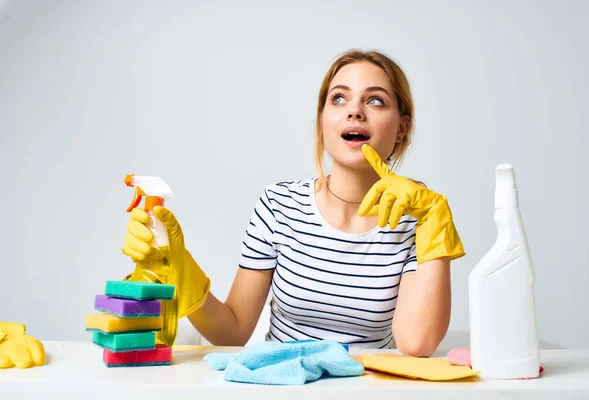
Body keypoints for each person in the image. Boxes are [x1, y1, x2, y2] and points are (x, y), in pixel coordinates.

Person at [122, 49, 465, 356]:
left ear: (402, 128)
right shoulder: (279, 204)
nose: (355, 112)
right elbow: (232, 332)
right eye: (339, 99)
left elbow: (416, 343)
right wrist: (179, 267)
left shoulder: (417, 220)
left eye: (375, 101)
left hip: (368, 389)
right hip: (281, 385)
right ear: (322, 119)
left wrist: (435, 218)